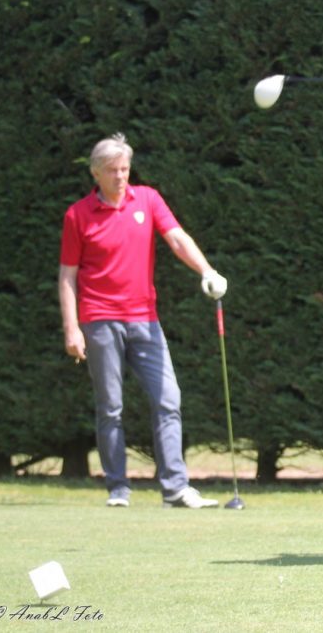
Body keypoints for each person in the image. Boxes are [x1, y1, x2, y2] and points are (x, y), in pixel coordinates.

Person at [58, 133, 228, 509]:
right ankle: (118, 488)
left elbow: (177, 238)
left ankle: (175, 488)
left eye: (125, 169)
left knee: (168, 399)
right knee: (111, 407)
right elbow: (68, 276)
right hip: (100, 319)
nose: (121, 176)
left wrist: (206, 270)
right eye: (112, 170)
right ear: (96, 173)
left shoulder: (147, 199)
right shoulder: (78, 215)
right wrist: (72, 327)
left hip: (145, 320)